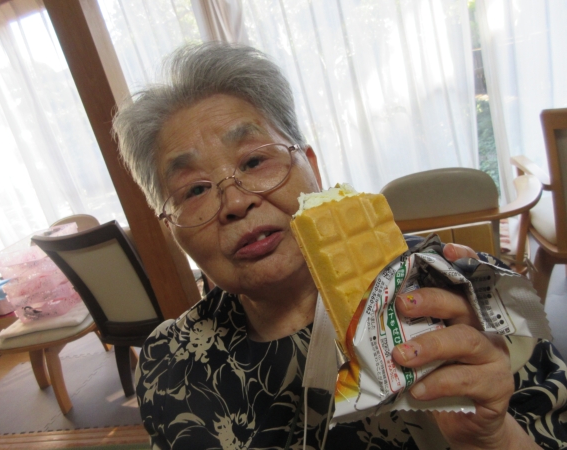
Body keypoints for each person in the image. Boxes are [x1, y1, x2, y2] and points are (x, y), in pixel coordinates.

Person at [112, 42, 567, 449]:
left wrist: (492, 439)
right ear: (171, 227)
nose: (234, 202)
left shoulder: (462, 293)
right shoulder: (169, 366)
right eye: (194, 190)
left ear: (311, 165)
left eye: (253, 161)